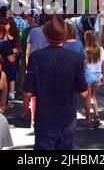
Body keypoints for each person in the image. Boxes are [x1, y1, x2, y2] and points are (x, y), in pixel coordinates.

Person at [23, 15, 88, 150]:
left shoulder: (36, 57)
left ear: (46, 35)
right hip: (67, 118)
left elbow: (27, 92)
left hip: (44, 118)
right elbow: (84, 93)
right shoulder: (75, 58)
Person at [82, 30, 104, 128]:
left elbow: (83, 64)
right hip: (97, 75)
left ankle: (87, 120)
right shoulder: (100, 49)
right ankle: (96, 116)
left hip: (88, 75)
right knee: (93, 96)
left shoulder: (85, 50)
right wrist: (103, 75)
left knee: (87, 98)